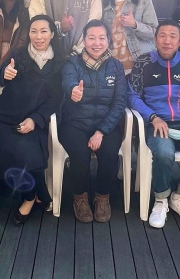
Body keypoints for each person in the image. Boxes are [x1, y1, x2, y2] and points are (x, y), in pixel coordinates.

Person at [128, 20, 180, 229]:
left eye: (173, 36)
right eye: (162, 35)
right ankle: (161, 199)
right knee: (164, 153)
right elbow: (132, 96)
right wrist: (152, 117)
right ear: (155, 39)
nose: (167, 40)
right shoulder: (144, 63)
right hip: (157, 122)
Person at [0, 15, 64, 225]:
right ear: (28, 33)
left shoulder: (59, 62)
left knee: (26, 149)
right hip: (4, 118)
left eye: (44, 31)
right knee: (10, 147)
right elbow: (0, 75)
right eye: (33, 31)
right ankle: (36, 194)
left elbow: (56, 98)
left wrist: (35, 119)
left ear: (52, 34)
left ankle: (30, 198)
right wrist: (6, 73)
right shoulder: (18, 54)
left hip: (34, 120)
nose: (38, 36)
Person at [60, 20, 127, 223]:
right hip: (75, 123)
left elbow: (120, 102)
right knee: (80, 156)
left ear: (108, 40)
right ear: (84, 39)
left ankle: (102, 197)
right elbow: (68, 81)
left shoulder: (116, 66)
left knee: (109, 154)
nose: (96, 43)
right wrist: (73, 91)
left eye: (101, 38)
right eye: (91, 38)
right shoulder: (73, 63)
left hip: (106, 124)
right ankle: (79, 197)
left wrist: (101, 131)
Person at [101, 0, 157, 74]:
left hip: (139, 65)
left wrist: (135, 24)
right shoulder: (102, 2)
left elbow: (154, 33)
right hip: (111, 68)